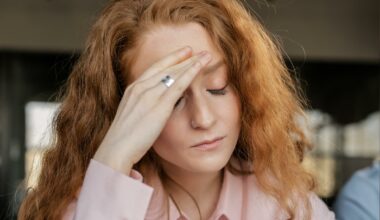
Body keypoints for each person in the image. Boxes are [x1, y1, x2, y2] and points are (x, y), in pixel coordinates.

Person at [18, 0, 335, 219]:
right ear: (124, 110)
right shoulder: (83, 207)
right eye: (170, 99)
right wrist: (113, 157)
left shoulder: (289, 206)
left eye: (218, 86)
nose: (204, 118)